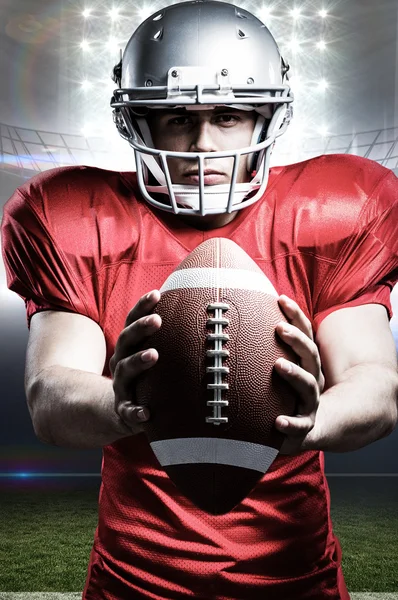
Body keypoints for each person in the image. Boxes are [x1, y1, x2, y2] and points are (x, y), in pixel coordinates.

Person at [1, 1, 398, 598]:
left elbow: (376, 382)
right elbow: (49, 394)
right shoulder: (73, 215)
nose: (203, 143)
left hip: (296, 577)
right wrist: (121, 404)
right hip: (134, 581)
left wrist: (314, 421)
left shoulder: (334, 208)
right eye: (177, 117)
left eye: (230, 115)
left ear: (267, 117)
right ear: (138, 120)